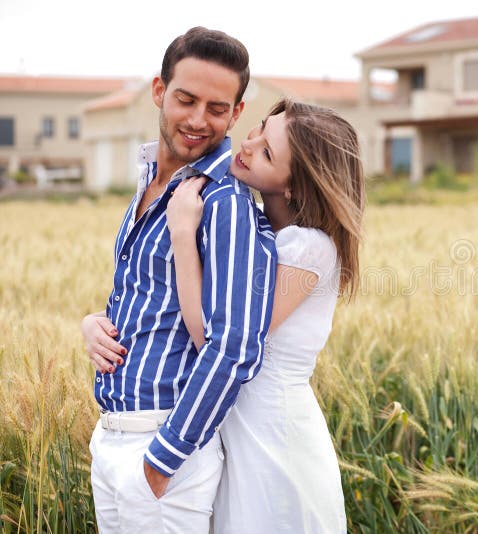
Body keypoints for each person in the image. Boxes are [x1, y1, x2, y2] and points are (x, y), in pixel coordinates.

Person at [81, 27, 277, 533]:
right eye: (185, 100)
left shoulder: (223, 202)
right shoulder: (153, 180)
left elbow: (235, 344)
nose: (197, 120)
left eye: (217, 108)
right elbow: (147, 294)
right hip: (112, 440)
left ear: (236, 114)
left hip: (162, 449)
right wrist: (94, 324)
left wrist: (164, 458)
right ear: (158, 92)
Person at [166, 98, 364, 533]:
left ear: (295, 185)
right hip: (239, 438)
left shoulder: (309, 248)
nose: (249, 144)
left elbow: (214, 338)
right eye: (258, 129)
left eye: (269, 152)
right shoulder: (254, 229)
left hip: (276, 445)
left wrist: (182, 235)